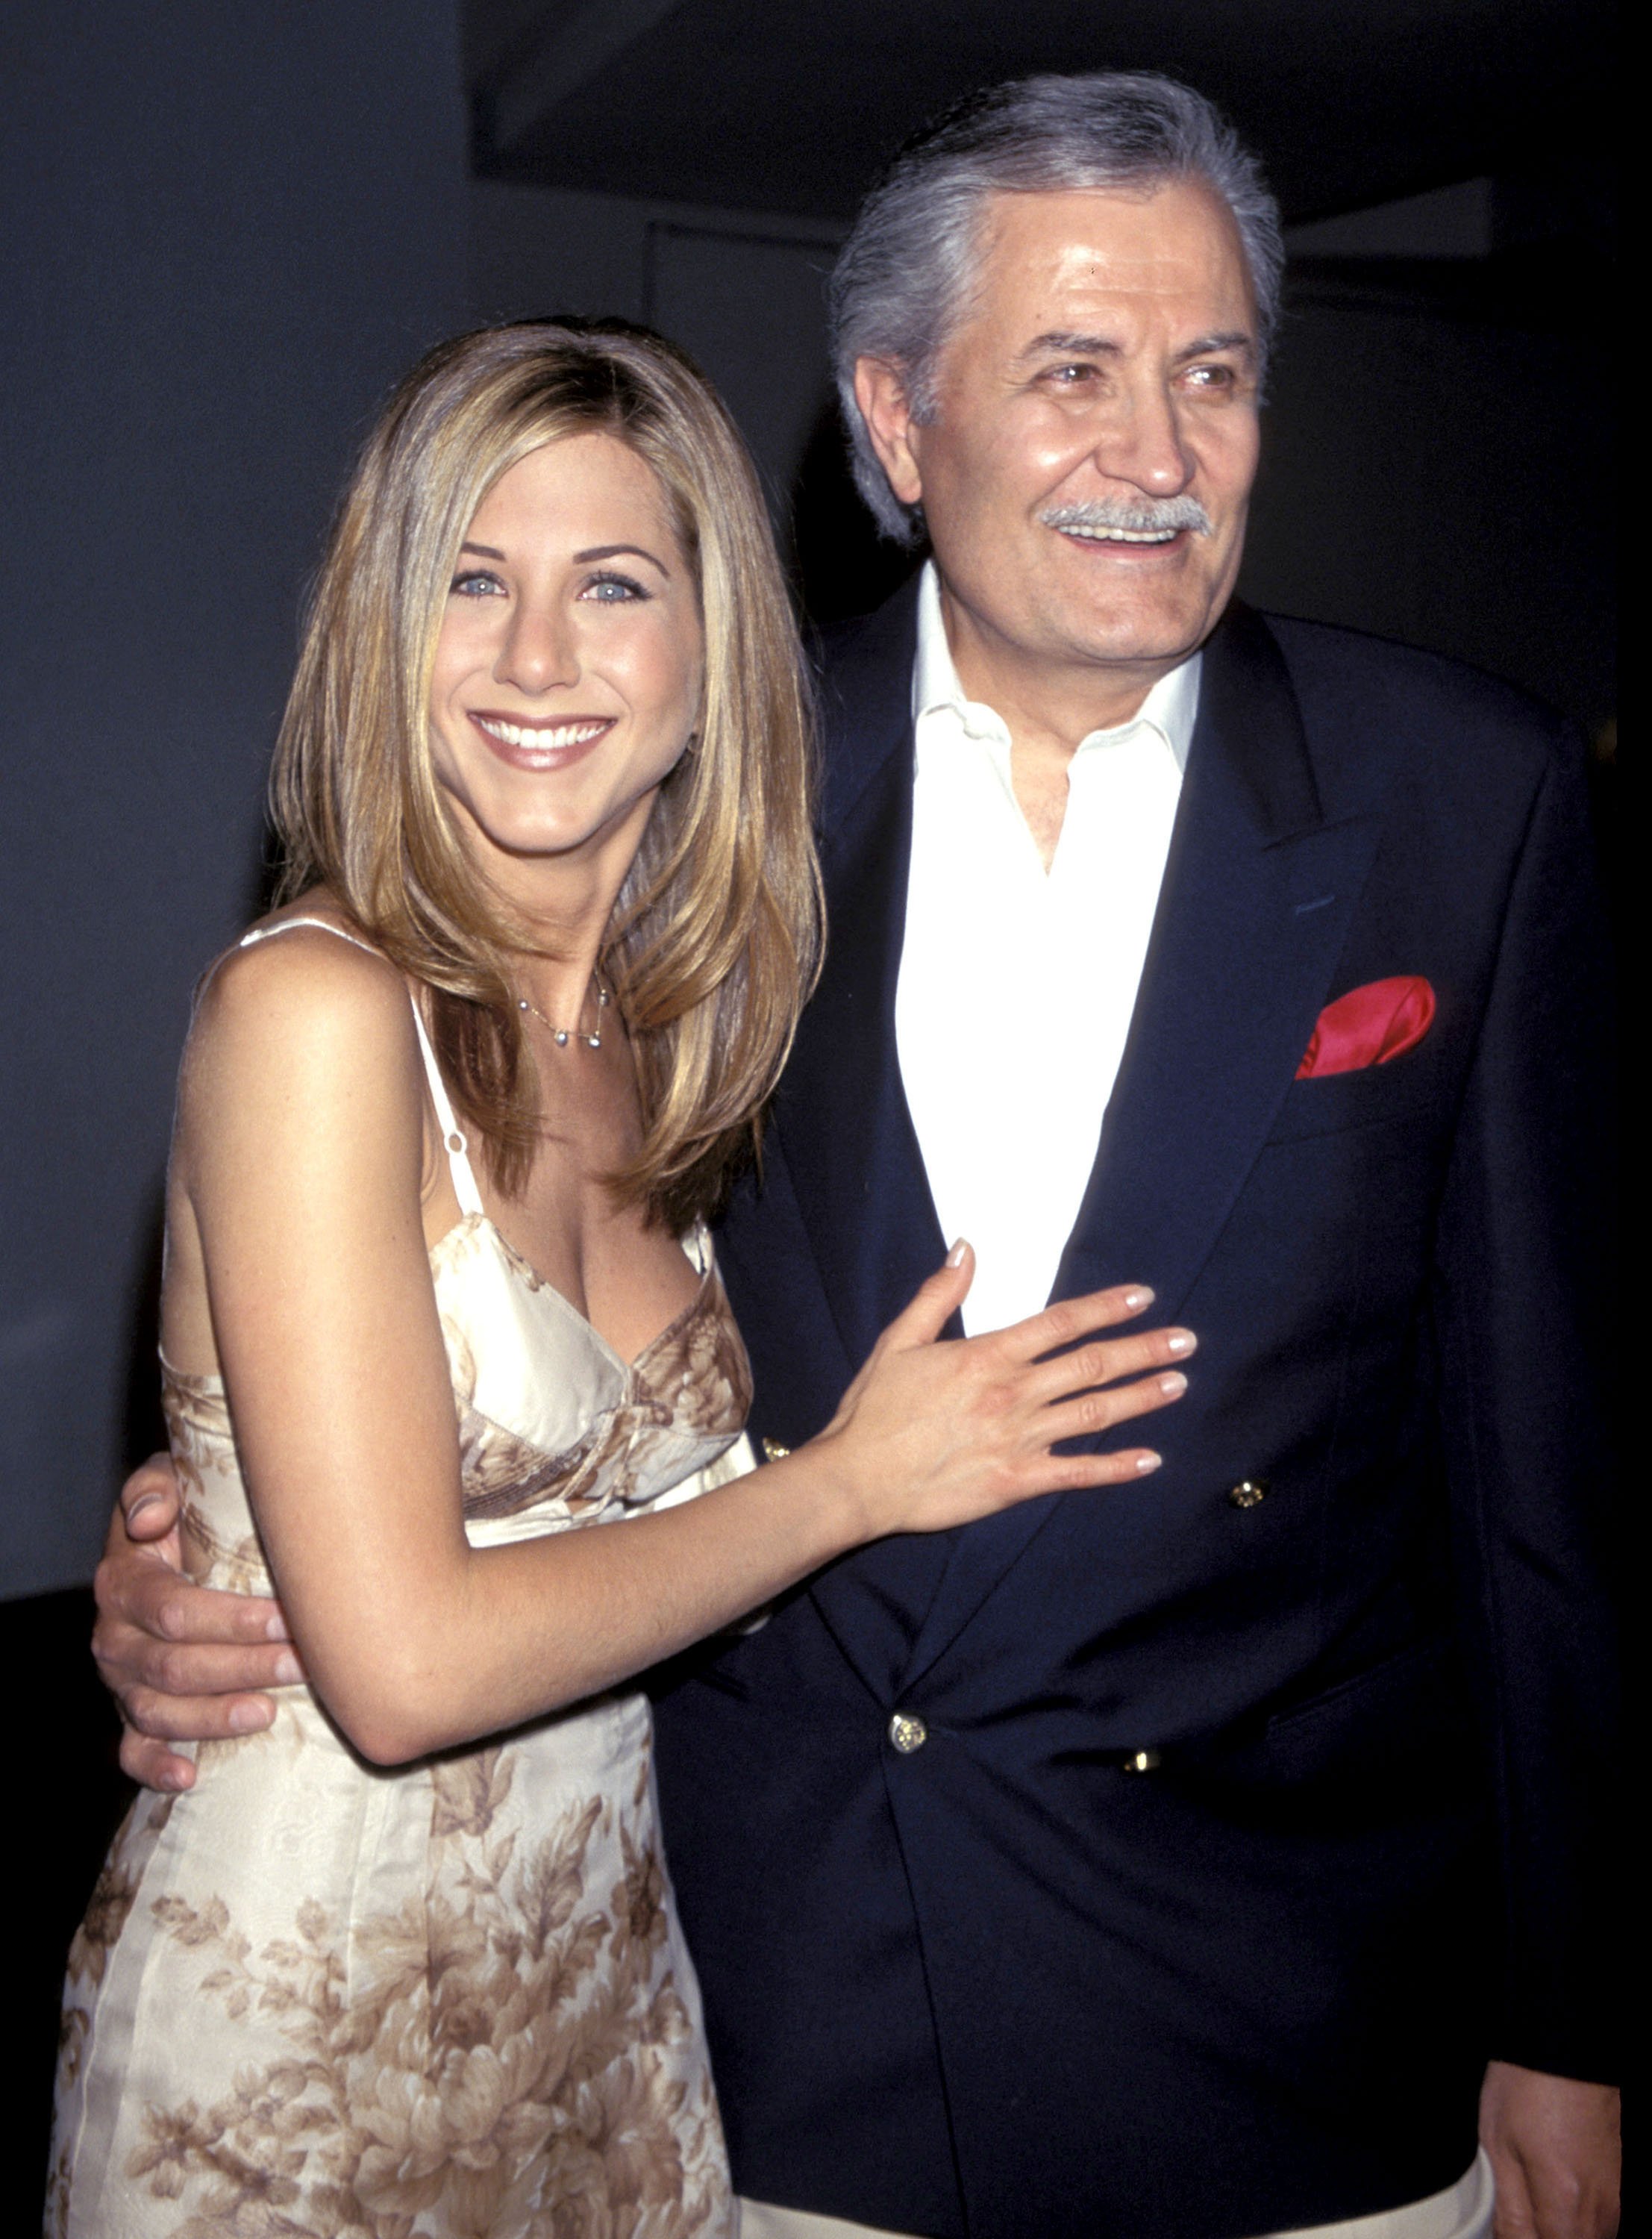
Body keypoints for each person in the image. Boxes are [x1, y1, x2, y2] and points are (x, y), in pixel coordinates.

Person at [91, 72, 1619, 2239]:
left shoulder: (1465, 795)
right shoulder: (694, 829)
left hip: (1285, 2035)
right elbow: (411, 1323)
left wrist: (1572, 2010)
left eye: (1210, 374)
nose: (1156, 454)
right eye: (1069, 372)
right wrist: (208, 1544)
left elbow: (1551, 1487)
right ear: (897, 428)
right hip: (783, 2030)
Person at [52, 316, 1195, 2238]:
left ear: (707, 655)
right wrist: (850, 1481)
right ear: (385, 634)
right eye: (470, 584)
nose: (534, 660)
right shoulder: (316, 1012)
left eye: (611, 586)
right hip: (303, 2053)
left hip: (619, 2012)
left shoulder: (696, 1044)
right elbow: (404, 1669)